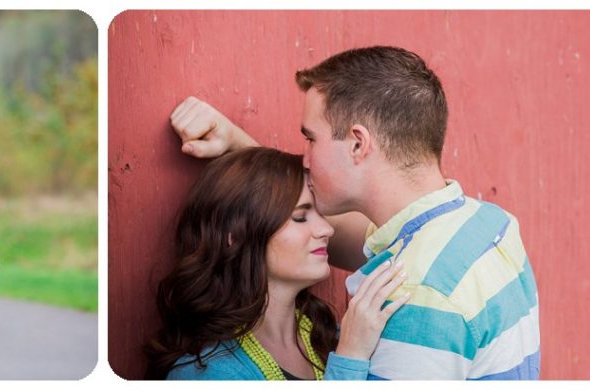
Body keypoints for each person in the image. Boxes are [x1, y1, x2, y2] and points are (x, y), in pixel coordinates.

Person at [169, 46, 539, 379]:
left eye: (311, 138)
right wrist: (237, 145)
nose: (306, 159)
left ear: (358, 144)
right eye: (301, 215)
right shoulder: (491, 225)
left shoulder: (411, 293)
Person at [145, 148, 410, 380]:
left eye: (321, 214)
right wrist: (350, 358)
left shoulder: (330, 337)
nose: (326, 229)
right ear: (236, 236)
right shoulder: (204, 372)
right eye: (300, 217)